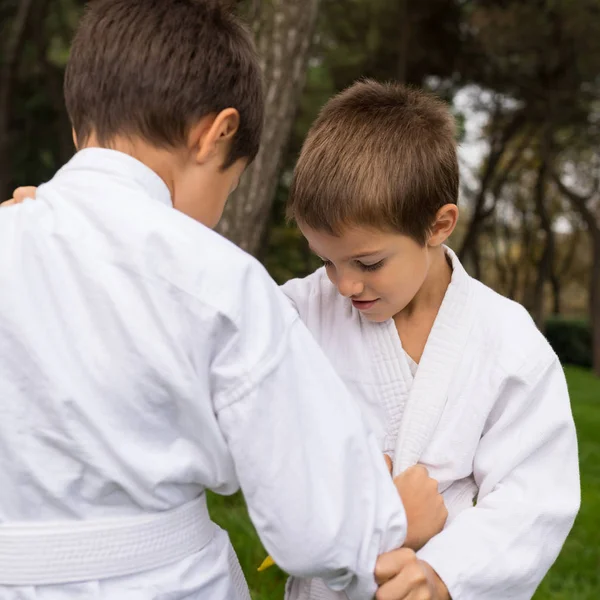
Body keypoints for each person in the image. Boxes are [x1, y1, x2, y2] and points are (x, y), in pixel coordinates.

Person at [0, 4, 448, 599]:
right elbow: (312, 526)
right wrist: (386, 522)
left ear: (81, 127)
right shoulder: (220, 282)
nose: (216, 213)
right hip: (164, 581)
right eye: (230, 187)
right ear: (217, 134)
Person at [279, 80, 581, 600]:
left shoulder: (508, 344)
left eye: (368, 262)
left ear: (438, 225)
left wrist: (444, 571)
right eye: (325, 259)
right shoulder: (295, 317)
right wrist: (382, 515)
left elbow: (533, 499)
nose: (345, 284)